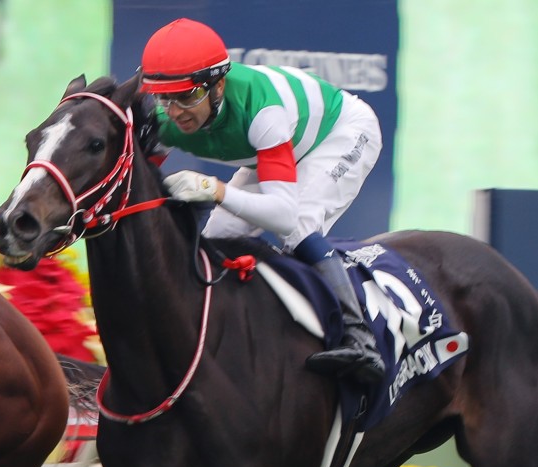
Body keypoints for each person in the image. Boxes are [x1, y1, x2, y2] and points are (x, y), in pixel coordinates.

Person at [139, 18, 385, 386]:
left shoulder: (263, 113)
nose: (175, 113)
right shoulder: (164, 120)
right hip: (278, 147)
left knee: (299, 226)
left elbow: (282, 217)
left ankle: (360, 338)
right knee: (214, 239)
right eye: (165, 98)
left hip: (341, 132)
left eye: (187, 97)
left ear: (218, 85)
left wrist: (215, 190)